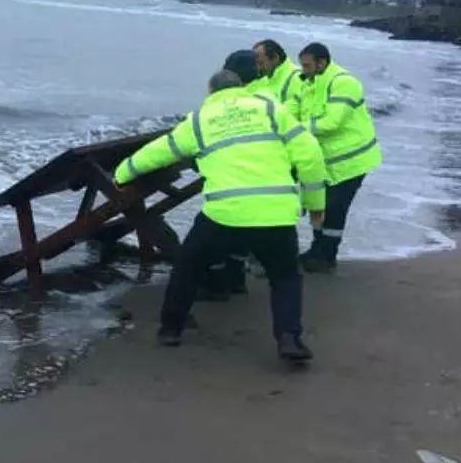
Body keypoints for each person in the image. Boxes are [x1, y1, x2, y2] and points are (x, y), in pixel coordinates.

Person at [113, 50, 327, 362]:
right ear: (241, 86)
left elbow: (161, 151)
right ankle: (290, 339)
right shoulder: (270, 108)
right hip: (276, 213)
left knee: (188, 265)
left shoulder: (200, 119)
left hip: (224, 214)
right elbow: (309, 155)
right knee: (284, 277)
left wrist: (122, 174)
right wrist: (315, 204)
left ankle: (171, 330)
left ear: (211, 92)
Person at [296, 42, 382, 273]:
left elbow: (331, 123)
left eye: (306, 65)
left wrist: (293, 129)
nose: (302, 70)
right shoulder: (312, 83)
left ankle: (327, 256)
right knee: (320, 206)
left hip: (351, 161)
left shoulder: (344, 83)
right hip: (328, 162)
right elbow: (301, 112)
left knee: (333, 208)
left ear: (321, 62)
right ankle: (317, 251)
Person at [253, 39, 306, 117]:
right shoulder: (263, 78)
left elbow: (293, 113)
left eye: (261, 63)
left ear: (275, 58)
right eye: (256, 64)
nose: (258, 68)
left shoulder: (298, 77)